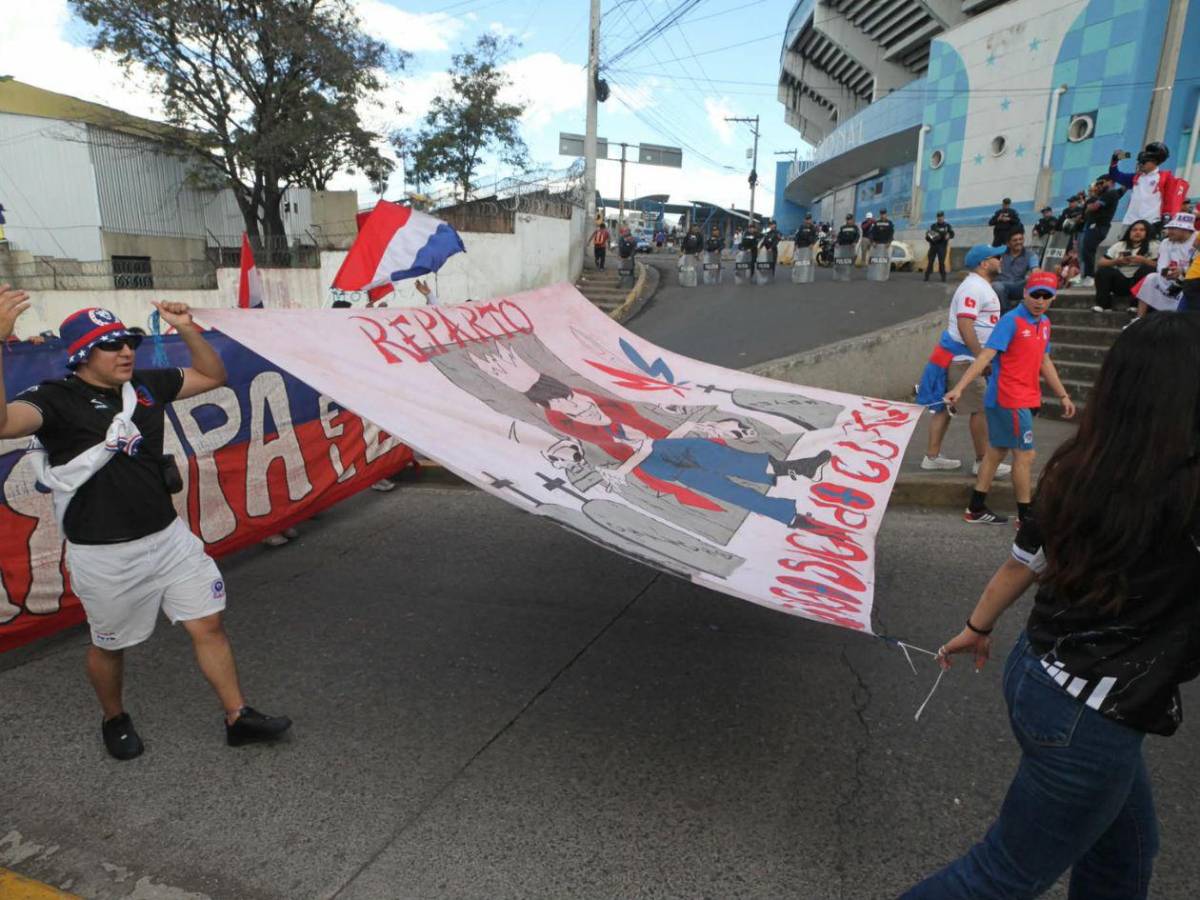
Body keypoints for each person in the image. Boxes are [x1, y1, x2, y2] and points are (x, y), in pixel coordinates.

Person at [906, 312, 1200, 900]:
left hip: (1036, 674)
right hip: (1090, 715)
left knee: (1126, 853)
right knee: (1002, 876)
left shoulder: (1079, 468)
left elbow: (1023, 561)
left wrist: (977, 626)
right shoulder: (1184, 490)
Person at [0, 290, 291, 760]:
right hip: (104, 553)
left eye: (128, 340)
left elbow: (213, 376)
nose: (125, 350)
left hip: (169, 537)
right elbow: (4, 424)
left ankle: (238, 716)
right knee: (110, 645)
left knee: (208, 624)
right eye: (110, 344)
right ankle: (114, 718)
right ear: (80, 355)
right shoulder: (54, 399)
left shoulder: (147, 385)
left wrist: (187, 328)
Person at [945, 272, 1075, 525]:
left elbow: (1044, 361)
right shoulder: (1011, 321)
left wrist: (1063, 395)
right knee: (1025, 455)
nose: (1040, 300)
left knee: (996, 451)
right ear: (1025, 293)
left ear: (1053, 298)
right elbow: (985, 357)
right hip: (1009, 397)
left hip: (1022, 397)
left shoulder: (1045, 323)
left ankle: (976, 508)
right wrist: (959, 387)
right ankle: (1025, 516)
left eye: (1046, 296)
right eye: (1035, 294)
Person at [916, 244, 1011, 479]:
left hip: (960, 357)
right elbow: (965, 324)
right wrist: (981, 356)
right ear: (984, 263)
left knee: (943, 408)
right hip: (964, 359)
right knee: (980, 409)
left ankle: (932, 457)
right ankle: (983, 461)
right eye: (996, 257)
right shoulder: (974, 288)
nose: (1001, 260)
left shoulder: (978, 286)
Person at [1129, 212, 1197, 316]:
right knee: (1151, 278)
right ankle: (1139, 318)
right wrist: (1167, 273)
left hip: (1193, 279)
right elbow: (1161, 265)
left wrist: (1183, 271)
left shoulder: (1197, 240)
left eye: (1173, 228)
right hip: (1171, 278)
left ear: (1185, 230)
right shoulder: (1166, 242)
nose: (1169, 231)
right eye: (1169, 228)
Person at [1109, 142, 1177, 234]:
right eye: (1139, 161)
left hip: (1150, 223)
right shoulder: (1135, 177)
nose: (1140, 164)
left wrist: (1166, 218)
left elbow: (1170, 199)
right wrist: (1115, 160)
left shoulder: (1165, 177)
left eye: (1143, 161)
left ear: (1155, 162)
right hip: (1130, 222)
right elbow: (1115, 175)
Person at [1091, 219, 1157, 312]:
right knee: (1103, 271)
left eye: (1142, 230)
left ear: (1147, 232)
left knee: (1147, 269)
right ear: (1129, 232)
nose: (1137, 232)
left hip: (1140, 281)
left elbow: (1159, 266)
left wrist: (1144, 260)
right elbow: (1101, 262)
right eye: (1134, 230)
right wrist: (1116, 261)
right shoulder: (1119, 245)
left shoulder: (1154, 245)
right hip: (1122, 282)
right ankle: (1103, 305)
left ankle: (1135, 306)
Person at [1070, 174, 1123, 288]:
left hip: (1099, 226)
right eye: (1097, 184)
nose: (1098, 186)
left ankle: (1090, 277)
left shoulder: (1110, 193)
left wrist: (1091, 206)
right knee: (1085, 252)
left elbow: (1093, 207)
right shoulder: (1106, 194)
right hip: (1093, 226)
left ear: (1110, 182)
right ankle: (1085, 276)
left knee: (1088, 251)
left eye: (1101, 183)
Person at [993, 229, 1040, 311]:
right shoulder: (1000, 253)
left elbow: (1035, 269)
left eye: (1021, 239)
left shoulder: (1030, 255)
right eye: (1015, 240)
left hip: (1018, 286)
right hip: (1001, 284)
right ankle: (1007, 313)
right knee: (997, 286)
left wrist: (1035, 274)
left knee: (1034, 281)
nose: (1019, 242)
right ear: (1008, 243)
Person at [924, 211, 954, 282]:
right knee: (930, 261)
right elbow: (929, 237)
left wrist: (949, 235)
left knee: (941, 262)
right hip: (933, 246)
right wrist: (928, 236)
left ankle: (943, 277)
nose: (940, 218)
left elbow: (952, 233)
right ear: (937, 218)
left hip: (942, 247)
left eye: (941, 217)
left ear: (943, 217)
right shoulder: (933, 226)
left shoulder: (947, 226)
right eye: (938, 217)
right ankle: (926, 276)